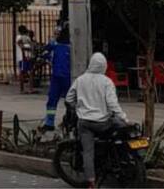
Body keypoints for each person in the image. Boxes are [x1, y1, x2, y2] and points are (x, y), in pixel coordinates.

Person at [66, 52, 128, 189]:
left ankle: (91, 182)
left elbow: (69, 99)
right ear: (104, 66)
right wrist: (124, 118)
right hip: (103, 123)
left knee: (88, 152)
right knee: (120, 128)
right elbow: (112, 104)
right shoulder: (107, 82)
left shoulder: (80, 80)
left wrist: (79, 107)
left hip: (85, 123)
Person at [41, 25, 72, 130]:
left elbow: (44, 53)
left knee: (53, 100)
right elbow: (45, 53)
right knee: (69, 101)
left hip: (59, 78)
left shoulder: (55, 45)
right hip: (65, 78)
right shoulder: (68, 47)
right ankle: (67, 122)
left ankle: (50, 122)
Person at [16, 25, 33, 94]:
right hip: (23, 57)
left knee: (30, 72)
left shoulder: (26, 37)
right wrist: (29, 49)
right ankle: (22, 89)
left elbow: (30, 44)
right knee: (22, 73)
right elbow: (21, 46)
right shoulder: (19, 37)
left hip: (28, 56)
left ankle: (30, 89)